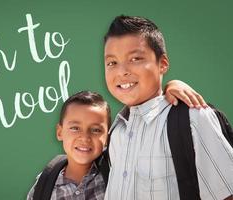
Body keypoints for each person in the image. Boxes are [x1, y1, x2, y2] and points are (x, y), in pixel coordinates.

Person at [103, 15, 233, 200]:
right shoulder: (116, 133)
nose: (122, 71)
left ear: (162, 64)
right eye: (111, 63)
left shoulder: (193, 118)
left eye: (135, 58)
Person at [27, 84, 207, 200]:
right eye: (75, 128)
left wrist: (171, 86)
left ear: (108, 137)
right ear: (60, 132)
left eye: (96, 130)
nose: (85, 137)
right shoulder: (45, 184)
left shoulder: (118, 172)